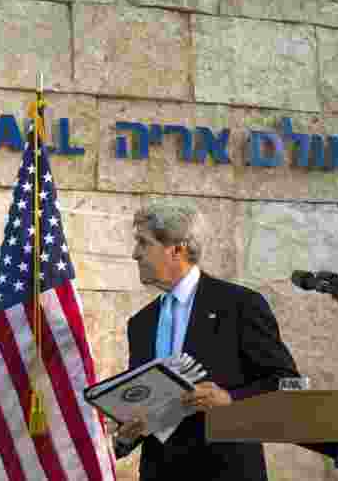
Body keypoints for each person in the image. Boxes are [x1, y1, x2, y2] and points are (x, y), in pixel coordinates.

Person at [113, 203, 300, 481]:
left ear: (176, 248)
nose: (134, 254)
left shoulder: (239, 305)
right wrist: (125, 436)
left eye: (143, 243)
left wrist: (230, 399)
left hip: (226, 471)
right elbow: (146, 405)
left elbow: (286, 383)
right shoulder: (141, 323)